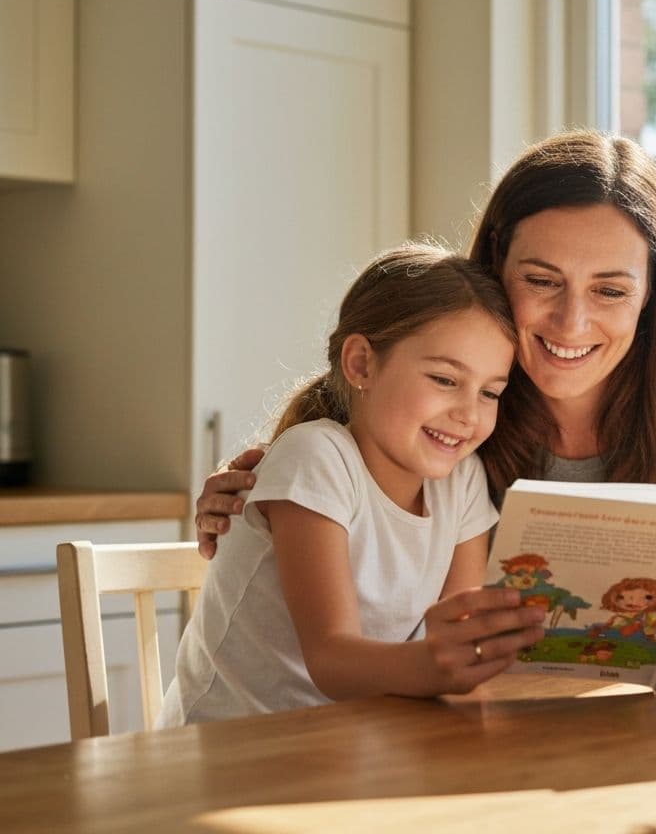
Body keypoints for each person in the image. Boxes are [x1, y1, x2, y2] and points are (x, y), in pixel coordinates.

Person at [196, 130, 656, 673]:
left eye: (609, 290)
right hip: (512, 757)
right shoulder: (450, 419)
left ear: (652, 296)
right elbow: (335, 529)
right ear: (493, 270)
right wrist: (245, 503)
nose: (572, 325)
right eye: (541, 281)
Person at [158, 245, 546, 726]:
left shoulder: (462, 482)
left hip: (354, 740)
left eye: (490, 392)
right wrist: (439, 662)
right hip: (228, 747)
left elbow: (457, 637)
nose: (469, 414)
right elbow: (332, 661)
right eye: (445, 379)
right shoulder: (316, 458)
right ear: (362, 364)